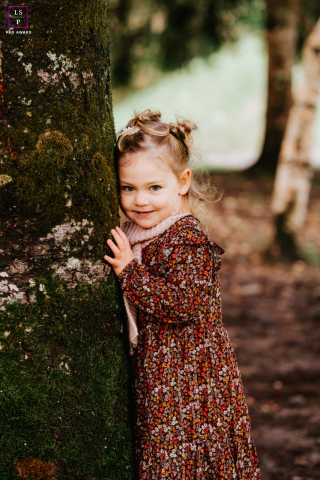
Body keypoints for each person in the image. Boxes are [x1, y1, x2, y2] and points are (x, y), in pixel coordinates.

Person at [104, 109, 260, 479]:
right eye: (128, 188)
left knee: (185, 463)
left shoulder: (186, 237)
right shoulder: (145, 233)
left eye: (154, 187)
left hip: (193, 385)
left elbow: (184, 304)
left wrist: (129, 270)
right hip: (165, 376)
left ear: (183, 181)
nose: (140, 200)